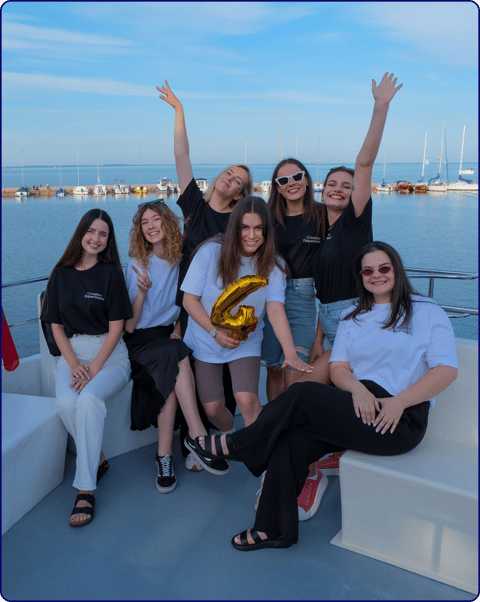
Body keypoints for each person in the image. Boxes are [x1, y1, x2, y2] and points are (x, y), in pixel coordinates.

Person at [193, 241, 458, 550]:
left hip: (401, 417)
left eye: (384, 268)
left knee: (304, 394)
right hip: (360, 407)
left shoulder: (425, 311)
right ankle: (273, 529)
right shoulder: (351, 316)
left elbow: (446, 370)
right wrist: (357, 390)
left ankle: (240, 443)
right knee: (291, 441)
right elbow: (339, 369)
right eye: (368, 270)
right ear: (360, 276)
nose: (376, 275)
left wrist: (399, 401)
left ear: (396, 270)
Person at [295, 71, 404, 488]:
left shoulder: (357, 223)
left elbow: (364, 162)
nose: (340, 188)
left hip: (357, 320)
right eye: (332, 184)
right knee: (317, 390)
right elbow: (327, 289)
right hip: (333, 319)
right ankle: (323, 459)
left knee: (313, 389)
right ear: (321, 191)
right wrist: (321, 333)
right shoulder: (316, 232)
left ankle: (317, 466)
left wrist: (380, 107)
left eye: (347, 185)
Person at [157, 79, 253, 469]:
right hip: (189, 305)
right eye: (229, 173)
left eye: (239, 181)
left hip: (226, 309)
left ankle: (220, 442)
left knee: (226, 386)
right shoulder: (194, 206)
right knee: (192, 374)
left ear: (240, 193)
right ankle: (195, 441)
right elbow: (182, 154)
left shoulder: (239, 221)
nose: (230, 179)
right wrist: (179, 111)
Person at [181, 196, 313, 441]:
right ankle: (229, 436)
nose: (251, 235)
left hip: (245, 343)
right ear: (235, 229)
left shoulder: (274, 264)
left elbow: (274, 310)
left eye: (258, 228)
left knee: (247, 400)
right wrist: (214, 333)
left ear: (266, 230)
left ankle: (264, 464)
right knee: (213, 410)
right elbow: (189, 301)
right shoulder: (210, 253)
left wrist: (290, 352)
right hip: (207, 339)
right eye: (245, 227)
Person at [124, 200, 229, 488]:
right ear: (140, 230)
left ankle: (164, 457)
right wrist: (142, 293)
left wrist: (178, 330)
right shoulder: (138, 265)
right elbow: (129, 326)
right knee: (174, 354)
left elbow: (188, 304)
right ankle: (198, 436)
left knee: (170, 366)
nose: (150, 226)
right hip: (140, 341)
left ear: (167, 222)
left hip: (169, 337)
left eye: (155, 219)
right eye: (144, 223)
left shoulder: (183, 261)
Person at [41, 209, 133, 527]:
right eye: (91, 231)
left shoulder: (110, 274)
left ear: (108, 240)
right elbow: (53, 323)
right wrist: (74, 364)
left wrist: (93, 368)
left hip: (110, 356)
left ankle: (86, 489)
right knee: (66, 402)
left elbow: (118, 326)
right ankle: (99, 458)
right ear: (82, 232)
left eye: (103, 234)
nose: (95, 238)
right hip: (72, 354)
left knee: (89, 399)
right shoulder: (61, 273)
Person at [262, 159, 325, 402]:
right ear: (277, 188)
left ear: (307, 180)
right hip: (269, 297)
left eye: (297, 177)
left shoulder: (322, 215)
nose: (292, 183)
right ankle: (273, 430)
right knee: (274, 370)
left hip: (303, 296)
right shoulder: (268, 218)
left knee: (294, 371)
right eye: (283, 180)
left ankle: (289, 430)